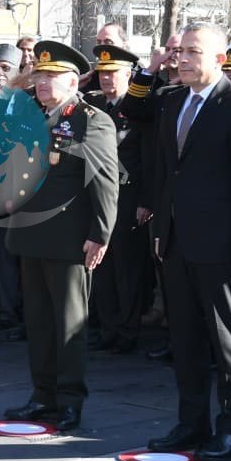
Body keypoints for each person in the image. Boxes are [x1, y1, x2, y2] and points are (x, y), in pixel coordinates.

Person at [143, 23, 231, 461]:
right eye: (182, 53)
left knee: (226, 339)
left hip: (222, 244)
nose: (183, 60)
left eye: (194, 53)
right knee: (186, 337)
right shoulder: (173, 101)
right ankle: (191, 423)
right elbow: (165, 174)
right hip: (177, 240)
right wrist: (160, 231)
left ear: (219, 59)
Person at [2, 41, 117, 433]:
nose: (44, 84)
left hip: (69, 238)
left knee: (69, 324)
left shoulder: (91, 120)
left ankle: (69, 401)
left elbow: (104, 180)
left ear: (73, 80)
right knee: (37, 321)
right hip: (30, 234)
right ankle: (42, 395)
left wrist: (100, 233)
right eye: (40, 77)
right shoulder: (30, 116)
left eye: (52, 78)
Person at [84, 44, 145, 354]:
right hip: (96, 198)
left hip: (128, 196)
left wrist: (145, 201)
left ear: (128, 75)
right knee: (101, 266)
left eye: (113, 73)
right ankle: (107, 328)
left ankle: (128, 330)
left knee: (127, 268)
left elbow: (149, 157)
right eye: (102, 73)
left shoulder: (137, 109)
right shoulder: (92, 106)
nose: (106, 79)